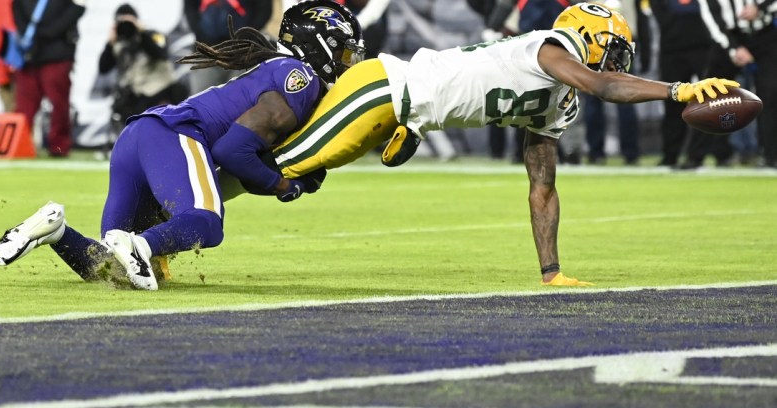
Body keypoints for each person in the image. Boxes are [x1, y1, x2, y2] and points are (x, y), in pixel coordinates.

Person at [222, 2, 737, 286]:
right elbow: (603, 84)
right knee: (277, 165)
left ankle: (180, 203)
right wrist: (677, 90)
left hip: (400, 108)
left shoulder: (559, 100)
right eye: (616, 50)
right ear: (590, 35)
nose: (617, 62)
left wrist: (550, 271)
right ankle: (169, 210)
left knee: (298, 172)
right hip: (385, 88)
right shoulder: (552, 47)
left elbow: (543, 187)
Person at [0, 0, 365, 290]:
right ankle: (140, 246)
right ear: (321, 45)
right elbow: (232, 151)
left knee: (110, 267)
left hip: (139, 137)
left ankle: (53, 230)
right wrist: (283, 185)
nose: (349, 64)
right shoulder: (300, 79)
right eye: (346, 53)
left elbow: (243, 160)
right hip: (173, 135)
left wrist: (283, 178)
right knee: (205, 222)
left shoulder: (279, 71)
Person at [680, 0, 777, 169]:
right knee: (709, 93)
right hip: (728, 36)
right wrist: (734, 48)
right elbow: (711, 18)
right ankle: (695, 156)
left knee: (771, 92)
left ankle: (770, 155)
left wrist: (760, 8)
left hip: (765, 34)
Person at [99, 4, 184, 142]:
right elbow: (103, 68)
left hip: (160, 90)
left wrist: (142, 33)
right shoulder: (118, 42)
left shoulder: (152, 35)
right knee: (124, 105)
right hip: (136, 95)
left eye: (129, 21)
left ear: (137, 20)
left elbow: (161, 53)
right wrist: (110, 43)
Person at [11, 0, 85, 157]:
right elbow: (17, 10)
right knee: (25, 104)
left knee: (58, 103)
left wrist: (43, 34)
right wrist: (27, 35)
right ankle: (19, 145)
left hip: (56, 53)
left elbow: (76, 10)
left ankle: (59, 146)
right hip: (29, 54)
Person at [650, 0, 713, 167]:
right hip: (672, 49)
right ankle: (670, 155)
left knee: (708, 101)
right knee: (672, 101)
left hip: (703, 47)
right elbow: (663, 17)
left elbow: (711, 11)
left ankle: (703, 154)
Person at [183, 0, 275, 94]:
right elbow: (190, 9)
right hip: (209, 51)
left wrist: (246, 35)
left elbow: (265, 11)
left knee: (242, 98)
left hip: (243, 51)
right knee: (202, 99)